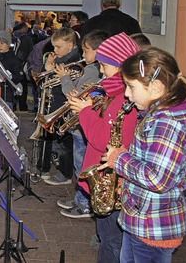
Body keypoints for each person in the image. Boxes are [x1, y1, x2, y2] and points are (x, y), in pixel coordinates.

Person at [100, 47, 186, 262]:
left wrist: (119, 159)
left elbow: (157, 178)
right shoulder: (162, 113)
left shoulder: (167, 123)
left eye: (131, 87)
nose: (127, 94)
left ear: (156, 87)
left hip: (153, 225)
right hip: (144, 218)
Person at [67, 33, 140, 262]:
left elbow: (101, 139)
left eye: (104, 66)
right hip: (107, 176)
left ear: (121, 65)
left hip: (113, 181)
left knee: (111, 241)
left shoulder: (124, 100)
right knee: (107, 237)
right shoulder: (116, 93)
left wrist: (86, 111)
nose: (101, 71)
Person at [54, 30, 107, 219]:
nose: (83, 56)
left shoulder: (94, 71)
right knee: (80, 164)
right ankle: (79, 198)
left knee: (83, 165)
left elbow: (72, 95)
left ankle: (84, 203)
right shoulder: (91, 69)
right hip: (81, 126)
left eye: (86, 51)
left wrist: (64, 78)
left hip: (84, 126)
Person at [38, 27, 81, 184]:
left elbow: (71, 86)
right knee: (52, 139)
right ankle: (43, 167)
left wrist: (56, 73)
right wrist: (47, 69)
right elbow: (43, 82)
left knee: (65, 142)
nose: (54, 50)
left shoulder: (75, 62)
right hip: (53, 104)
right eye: (54, 46)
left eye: (58, 47)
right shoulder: (59, 59)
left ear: (70, 46)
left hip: (64, 106)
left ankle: (65, 173)